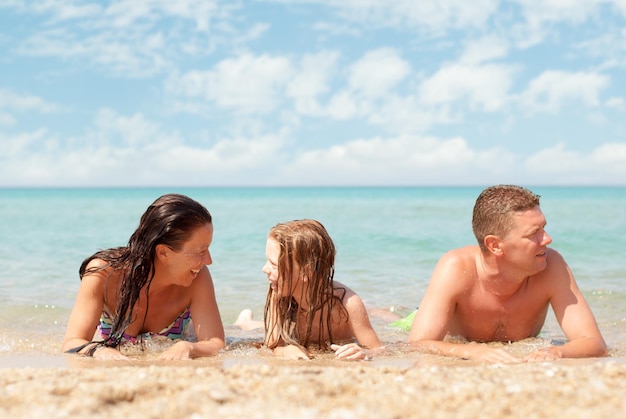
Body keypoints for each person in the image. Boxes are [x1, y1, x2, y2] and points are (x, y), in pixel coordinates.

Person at [408, 184, 607, 362]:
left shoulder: (551, 265)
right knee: (400, 321)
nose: (547, 239)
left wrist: (557, 352)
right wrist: (470, 351)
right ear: (495, 245)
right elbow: (418, 343)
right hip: (430, 322)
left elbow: (593, 342)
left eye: (544, 228)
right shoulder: (456, 267)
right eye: (533, 234)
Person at [62, 193, 225, 360]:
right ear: (163, 252)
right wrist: (99, 350)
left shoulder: (197, 277)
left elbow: (215, 343)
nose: (209, 260)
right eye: (201, 251)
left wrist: (188, 346)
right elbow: (72, 342)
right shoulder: (103, 274)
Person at [260, 219, 381, 360]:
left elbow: (378, 349)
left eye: (274, 264)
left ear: (306, 272)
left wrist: (365, 352)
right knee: (248, 326)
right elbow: (272, 345)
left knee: (380, 315)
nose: (264, 269)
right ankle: (244, 319)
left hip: (356, 311)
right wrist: (284, 350)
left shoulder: (347, 304)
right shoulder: (279, 296)